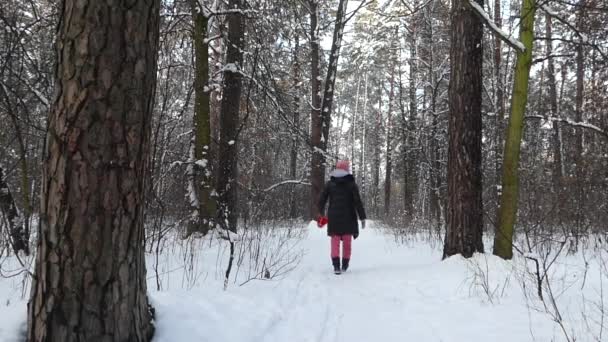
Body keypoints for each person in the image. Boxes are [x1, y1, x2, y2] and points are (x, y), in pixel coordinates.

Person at [318, 160, 366, 274]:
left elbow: (322, 200)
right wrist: (362, 217)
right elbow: (358, 202)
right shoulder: (352, 184)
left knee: (334, 243)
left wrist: (320, 213)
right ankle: (344, 265)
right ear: (347, 170)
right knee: (347, 244)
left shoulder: (330, 183)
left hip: (334, 218)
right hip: (349, 218)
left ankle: (336, 266)